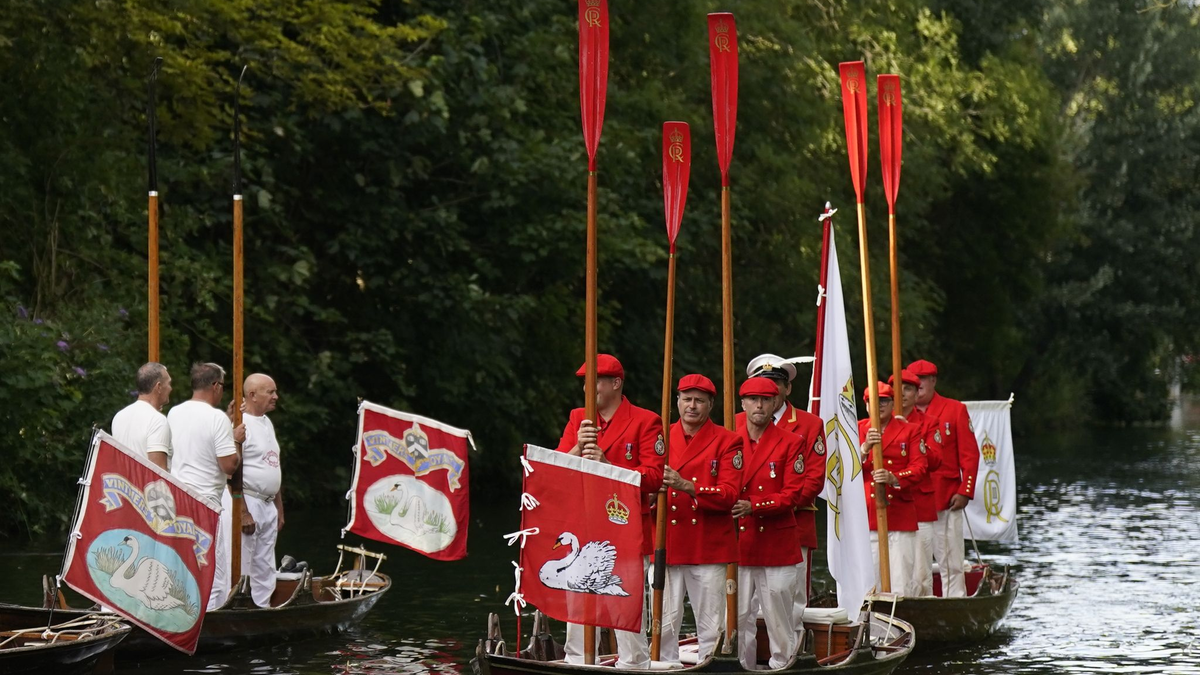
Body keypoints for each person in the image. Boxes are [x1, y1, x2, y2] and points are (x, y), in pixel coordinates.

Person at [554, 354, 664, 668]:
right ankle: (576, 662)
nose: (589, 389)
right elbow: (557, 469)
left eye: (596, 381)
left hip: (624, 529)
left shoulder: (645, 421)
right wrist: (576, 447)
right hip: (583, 525)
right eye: (586, 382)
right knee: (577, 607)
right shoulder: (579, 418)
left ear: (616, 383)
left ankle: (633, 665)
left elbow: (654, 477)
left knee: (623, 608)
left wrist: (607, 466)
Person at [659, 374, 742, 664]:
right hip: (666, 543)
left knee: (711, 624)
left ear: (710, 405)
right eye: (686, 399)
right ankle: (664, 668)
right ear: (677, 401)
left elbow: (730, 494)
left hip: (706, 545)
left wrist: (688, 486)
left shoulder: (728, 441)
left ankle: (710, 667)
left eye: (699, 401)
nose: (691, 406)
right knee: (664, 622)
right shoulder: (661, 436)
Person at [737, 354, 826, 613]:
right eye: (762, 384)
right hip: (744, 526)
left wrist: (775, 504)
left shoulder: (809, 424)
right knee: (741, 606)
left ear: (787, 389)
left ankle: (790, 652)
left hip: (791, 523)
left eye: (776, 384)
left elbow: (813, 480)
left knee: (790, 602)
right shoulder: (736, 422)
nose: (769, 390)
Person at [733, 377, 805, 669]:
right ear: (743, 403)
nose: (759, 406)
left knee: (778, 615)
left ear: (775, 403)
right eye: (752, 399)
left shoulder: (792, 442)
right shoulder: (730, 440)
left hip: (776, 542)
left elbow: (793, 494)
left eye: (765, 400)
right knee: (736, 616)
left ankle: (782, 665)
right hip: (738, 542)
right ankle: (741, 666)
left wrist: (754, 506)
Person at [168, 362, 242, 611]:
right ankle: (210, 619)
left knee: (183, 563)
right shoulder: (217, 418)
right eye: (222, 386)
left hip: (177, 499)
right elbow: (229, 466)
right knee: (214, 568)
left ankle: (181, 613)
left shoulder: (174, 413)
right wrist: (236, 440)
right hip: (206, 503)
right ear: (215, 386)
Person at [907, 359, 979, 598]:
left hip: (946, 497)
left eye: (922, 381)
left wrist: (965, 490)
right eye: (912, 383)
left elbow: (969, 454)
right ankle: (919, 605)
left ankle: (955, 602)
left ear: (933, 381)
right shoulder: (904, 414)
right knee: (917, 563)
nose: (918, 388)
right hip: (914, 501)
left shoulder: (954, 409)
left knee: (951, 559)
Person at [858, 382, 927, 597]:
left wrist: (894, 477)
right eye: (873, 401)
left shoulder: (910, 430)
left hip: (899, 513)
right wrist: (865, 448)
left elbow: (920, 467)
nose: (878, 406)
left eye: (884, 401)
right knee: (869, 581)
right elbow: (842, 470)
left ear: (892, 403)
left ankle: (897, 624)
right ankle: (869, 626)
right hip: (867, 514)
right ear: (866, 404)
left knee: (901, 580)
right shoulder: (856, 429)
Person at [890, 369, 943, 596]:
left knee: (921, 573)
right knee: (892, 568)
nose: (901, 394)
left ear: (916, 393)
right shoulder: (878, 422)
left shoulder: (929, 423)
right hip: (890, 506)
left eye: (908, 388)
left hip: (919, 505)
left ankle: (924, 619)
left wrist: (911, 435)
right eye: (897, 388)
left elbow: (936, 460)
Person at [237, 373, 285, 608]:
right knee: (245, 561)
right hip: (250, 500)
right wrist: (243, 511)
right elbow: (233, 472)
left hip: (268, 504)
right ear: (252, 395)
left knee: (266, 565)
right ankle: (241, 610)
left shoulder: (267, 423)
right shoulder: (240, 425)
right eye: (270, 392)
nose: (276, 396)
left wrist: (280, 508)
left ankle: (262, 609)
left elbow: (273, 464)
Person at [111, 362, 173, 470]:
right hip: (145, 487)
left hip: (122, 486)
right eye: (169, 383)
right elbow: (158, 475)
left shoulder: (119, 416)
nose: (170, 388)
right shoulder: (157, 421)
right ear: (158, 387)